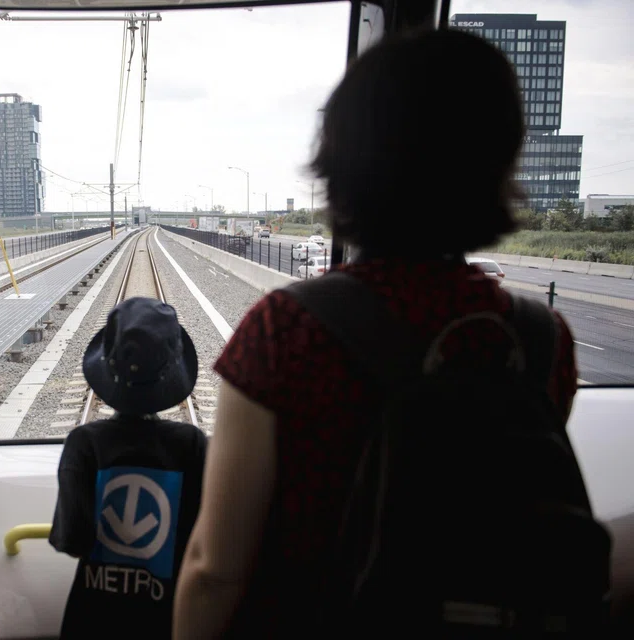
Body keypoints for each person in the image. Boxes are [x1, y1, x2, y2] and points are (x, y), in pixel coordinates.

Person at [174, 29, 593, 638]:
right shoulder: (539, 338)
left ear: (341, 162)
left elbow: (216, 570)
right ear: (497, 165)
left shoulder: (286, 331)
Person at [49, 296, 207, 639]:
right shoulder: (192, 445)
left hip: (92, 621)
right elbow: (203, 545)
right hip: (170, 622)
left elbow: (72, 541)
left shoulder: (83, 443)